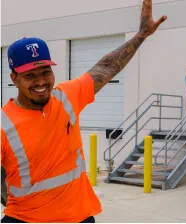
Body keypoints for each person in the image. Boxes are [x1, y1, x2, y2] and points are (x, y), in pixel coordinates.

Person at [0, 0, 167, 222]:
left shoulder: (66, 97)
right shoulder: (4, 123)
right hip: (27, 219)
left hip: (78, 217)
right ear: (14, 78)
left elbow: (105, 68)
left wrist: (141, 35)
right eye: (30, 75)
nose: (40, 81)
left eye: (45, 72)